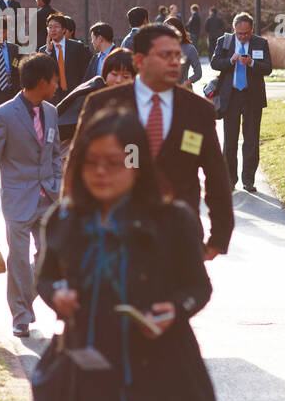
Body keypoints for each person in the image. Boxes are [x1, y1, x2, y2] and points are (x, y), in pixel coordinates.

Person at [36, 107, 226, 401]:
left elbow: (198, 288)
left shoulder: (172, 220)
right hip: (85, 370)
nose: (101, 172)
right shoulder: (64, 218)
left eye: (114, 161)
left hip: (152, 373)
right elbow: (46, 278)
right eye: (91, 161)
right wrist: (55, 294)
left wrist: (175, 309)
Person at [75, 24, 234, 260]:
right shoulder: (103, 104)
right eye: (165, 55)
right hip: (116, 239)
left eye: (177, 55)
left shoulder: (198, 110)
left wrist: (219, 238)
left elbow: (216, 177)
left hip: (179, 239)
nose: (175, 62)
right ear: (140, 61)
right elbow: (79, 170)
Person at [0, 53, 64, 338]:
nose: (57, 86)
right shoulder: (2, 115)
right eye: (54, 80)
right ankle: (21, 316)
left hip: (48, 198)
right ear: (41, 81)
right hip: (17, 199)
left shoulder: (51, 112)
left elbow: (53, 155)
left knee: (48, 255)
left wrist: (58, 185)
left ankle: (24, 299)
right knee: (18, 258)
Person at [210, 12, 274, 193]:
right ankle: (230, 179)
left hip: (252, 96)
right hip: (231, 96)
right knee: (230, 141)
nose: (243, 37)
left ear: (251, 30)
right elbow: (215, 63)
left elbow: (268, 68)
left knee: (251, 139)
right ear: (234, 30)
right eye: (240, 33)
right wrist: (231, 60)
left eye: (246, 33)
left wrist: (252, 62)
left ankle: (248, 180)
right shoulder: (225, 41)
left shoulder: (260, 43)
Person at [57, 47, 135, 145]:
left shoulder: (137, 102)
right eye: (114, 74)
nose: (119, 80)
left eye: (126, 76)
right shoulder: (93, 97)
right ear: (105, 75)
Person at [42, 13, 91, 104]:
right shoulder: (44, 51)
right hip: (53, 98)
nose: (53, 30)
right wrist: (48, 51)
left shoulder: (77, 47)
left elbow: (85, 72)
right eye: (50, 27)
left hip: (75, 95)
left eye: (56, 27)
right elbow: (42, 72)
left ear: (64, 29)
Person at [165, 15, 204, 90]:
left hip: (183, 91)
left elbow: (198, 73)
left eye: (170, 29)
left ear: (178, 30)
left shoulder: (189, 48)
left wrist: (186, 83)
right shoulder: (161, 48)